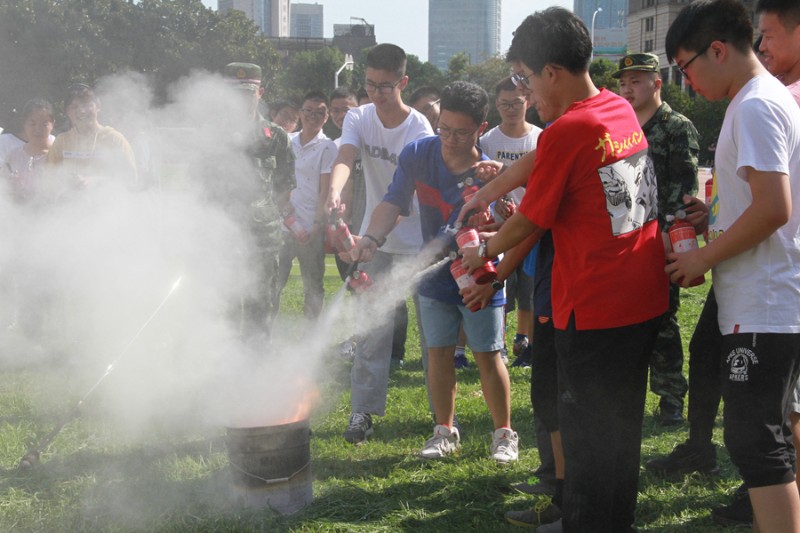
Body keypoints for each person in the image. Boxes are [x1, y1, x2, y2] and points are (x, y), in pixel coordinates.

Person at [460, 8, 667, 531]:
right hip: (640, 301)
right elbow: (544, 157)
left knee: (589, 446)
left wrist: (483, 254)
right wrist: (489, 190)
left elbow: (529, 218)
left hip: (595, 311)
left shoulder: (571, 130)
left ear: (551, 72)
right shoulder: (615, 109)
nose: (526, 93)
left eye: (526, 79)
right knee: (620, 436)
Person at [664, 1, 800, 530]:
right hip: (763, 300)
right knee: (763, 436)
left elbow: (774, 208)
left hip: (765, 305)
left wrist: (702, 255)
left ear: (717, 50)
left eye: (687, 66)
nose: (688, 80)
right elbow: (755, 202)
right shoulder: (763, 99)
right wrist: (710, 225)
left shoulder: (756, 105)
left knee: (755, 442)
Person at [351, 80, 518, 462]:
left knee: (487, 354)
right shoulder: (417, 155)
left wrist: (493, 231)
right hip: (433, 276)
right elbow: (393, 201)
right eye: (444, 129)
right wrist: (371, 238)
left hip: (478, 276)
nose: (451, 139)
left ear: (481, 126)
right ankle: (444, 430)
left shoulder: (491, 170)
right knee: (438, 353)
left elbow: (512, 225)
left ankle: (504, 434)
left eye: (461, 132)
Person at [326, 43, 433, 444]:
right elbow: (345, 156)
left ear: (403, 82)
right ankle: (362, 413)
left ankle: (443, 418)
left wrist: (373, 235)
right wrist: (335, 193)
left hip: (418, 243)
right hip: (376, 241)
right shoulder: (358, 117)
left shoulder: (419, 128)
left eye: (385, 86)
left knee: (432, 335)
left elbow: (405, 196)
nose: (376, 93)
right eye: (370, 84)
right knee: (371, 329)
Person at [614, 52, 699, 425]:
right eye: (623, 82)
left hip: (663, 239)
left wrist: (667, 235)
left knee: (664, 320)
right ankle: (624, 392)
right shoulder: (619, 128)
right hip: (623, 238)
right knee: (624, 318)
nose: (627, 88)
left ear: (656, 83)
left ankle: (671, 397)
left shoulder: (676, 127)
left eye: (636, 81)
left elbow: (684, 192)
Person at [207, 62, 295, 343]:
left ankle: (257, 362)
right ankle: (225, 363)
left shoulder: (276, 137)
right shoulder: (212, 137)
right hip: (224, 232)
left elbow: (284, 186)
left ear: (260, 93)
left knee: (263, 301)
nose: (242, 99)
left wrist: (265, 214)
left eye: (249, 93)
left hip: (264, 235)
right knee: (226, 302)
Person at [479, 76, 542, 367]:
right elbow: (484, 182)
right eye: (504, 104)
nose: (511, 109)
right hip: (497, 225)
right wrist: (497, 205)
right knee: (501, 286)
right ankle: (500, 344)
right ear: (496, 105)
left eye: (516, 103)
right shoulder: (489, 140)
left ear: (527, 101)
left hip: (531, 224)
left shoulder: (540, 137)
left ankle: (525, 341)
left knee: (529, 288)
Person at [275, 90, 336, 319]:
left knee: (312, 285)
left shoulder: (328, 147)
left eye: (320, 112)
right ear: (300, 114)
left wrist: (318, 224)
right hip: (283, 223)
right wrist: (282, 205)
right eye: (308, 110)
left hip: (310, 227)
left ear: (326, 117)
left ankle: (310, 339)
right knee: (275, 281)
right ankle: (264, 334)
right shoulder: (288, 141)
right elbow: (278, 178)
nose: (313, 116)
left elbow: (325, 189)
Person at [46, 83, 137, 192]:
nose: (82, 111)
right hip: (70, 206)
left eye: (86, 104)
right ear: (67, 112)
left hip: (108, 206)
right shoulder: (61, 142)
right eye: (74, 107)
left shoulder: (114, 139)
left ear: (97, 106)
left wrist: (98, 182)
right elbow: (47, 179)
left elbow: (130, 179)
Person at [3, 99, 55, 204]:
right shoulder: (14, 155)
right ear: (24, 124)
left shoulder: (59, 154)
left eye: (44, 124)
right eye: (32, 124)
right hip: (19, 214)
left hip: (53, 214)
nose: (37, 129)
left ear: (52, 124)